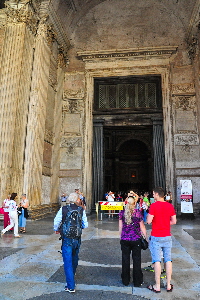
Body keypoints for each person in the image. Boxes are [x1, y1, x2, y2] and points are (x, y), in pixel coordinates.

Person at [54, 192, 88, 293]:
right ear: (77, 200)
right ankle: (71, 277)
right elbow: (85, 224)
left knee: (67, 261)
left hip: (67, 238)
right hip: (77, 238)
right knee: (75, 258)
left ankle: (70, 285)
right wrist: (78, 227)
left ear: (69, 200)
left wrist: (57, 229)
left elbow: (57, 221)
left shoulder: (63, 209)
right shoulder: (81, 209)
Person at [147, 186, 176, 293]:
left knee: (157, 260)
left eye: (153, 194)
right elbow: (174, 221)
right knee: (168, 259)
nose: (153, 195)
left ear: (157, 194)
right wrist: (164, 223)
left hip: (156, 236)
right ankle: (168, 285)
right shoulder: (169, 206)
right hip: (167, 236)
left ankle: (157, 286)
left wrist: (149, 215)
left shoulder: (154, 206)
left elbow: (149, 221)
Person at [119, 192, 147, 287]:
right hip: (136, 239)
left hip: (125, 239)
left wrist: (121, 237)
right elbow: (142, 227)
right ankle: (137, 281)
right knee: (137, 260)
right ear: (134, 203)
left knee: (125, 259)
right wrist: (145, 237)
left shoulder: (122, 212)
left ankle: (125, 280)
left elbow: (120, 227)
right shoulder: (137, 213)